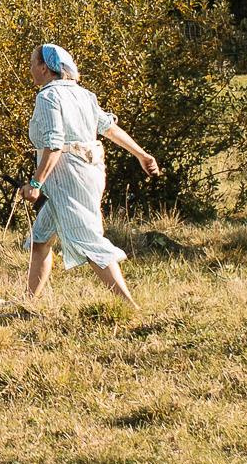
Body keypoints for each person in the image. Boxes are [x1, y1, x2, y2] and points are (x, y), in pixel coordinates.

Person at [23, 42, 161, 310]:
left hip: (68, 179)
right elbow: (109, 129)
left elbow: (54, 143)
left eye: (32, 64)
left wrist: (35, 183)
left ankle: (131, 307)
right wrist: (142, 155)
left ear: (44, 68)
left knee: (88, 240)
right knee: (40, 239)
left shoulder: (48, 97)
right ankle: (28, 303)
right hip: (90, 172)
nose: (30, 69)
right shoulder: (84, 95)